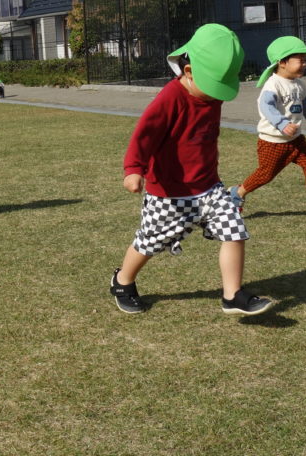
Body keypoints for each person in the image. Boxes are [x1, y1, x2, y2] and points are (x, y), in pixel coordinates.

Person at [110, 24, 273, 317]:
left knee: (234, 230)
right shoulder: (170, 98)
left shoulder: (212, 97)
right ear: (189, 71)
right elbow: (145, 134)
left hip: (209, 186)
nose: (215, 96)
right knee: (149, 242)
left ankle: (232, 295)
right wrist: (133, 169)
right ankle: (123, 281)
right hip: (169, 193)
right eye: (212, 87)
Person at [230, 36, 306, 217]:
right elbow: (266, 106)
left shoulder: (299, 84)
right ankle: (237, 193)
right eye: (300, 60)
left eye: (305, 60)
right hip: (274, 141)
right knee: (265, 174)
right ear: (282, 62)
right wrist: (282, 124)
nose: (305, 64)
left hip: (295, 139)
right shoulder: (273, 84)